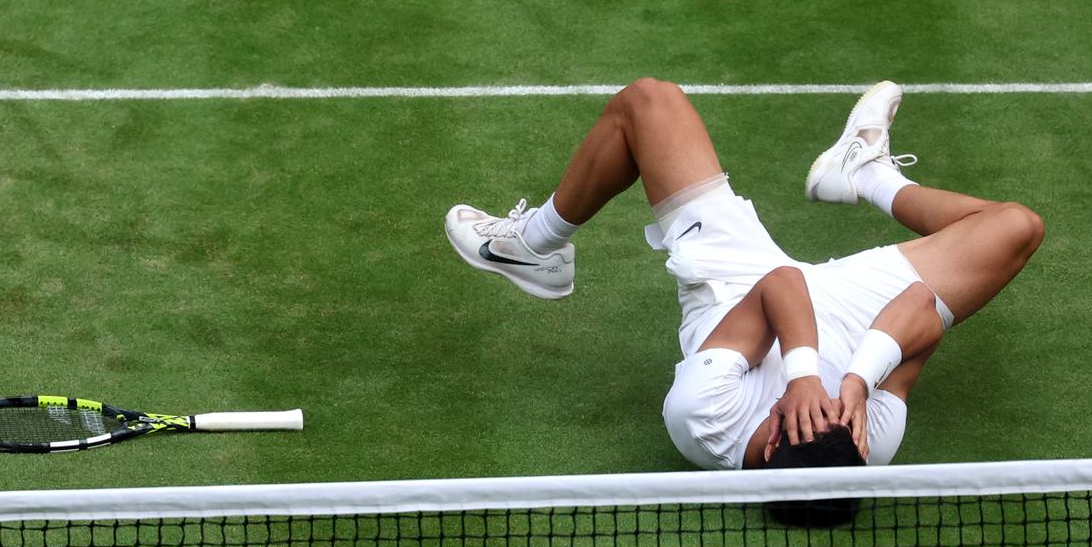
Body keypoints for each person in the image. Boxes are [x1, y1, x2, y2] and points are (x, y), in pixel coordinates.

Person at [444, 80, 1043, 470]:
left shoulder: (704, 419)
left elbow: (779, 284)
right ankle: (861, 175)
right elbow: (918, 309)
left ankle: (534, 246)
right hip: (853, 320)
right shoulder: (870, 443)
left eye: (820, 417)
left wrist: (804, 380)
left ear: (774, 437)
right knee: (1016, 227)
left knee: (648, 104)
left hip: (738, 291)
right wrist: (858, 383)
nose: (834, 413)